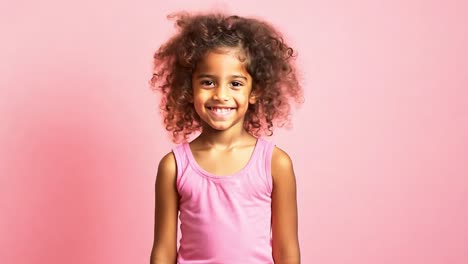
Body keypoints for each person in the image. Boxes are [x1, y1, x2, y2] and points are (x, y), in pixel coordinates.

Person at [149, 11, 303, 264]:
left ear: (255, 91)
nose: (221, 94)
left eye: (236, 84)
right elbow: (163, 251)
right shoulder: (174, 167)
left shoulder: (275, 164)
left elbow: (287, 251)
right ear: (189, 88)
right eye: (208, 82)